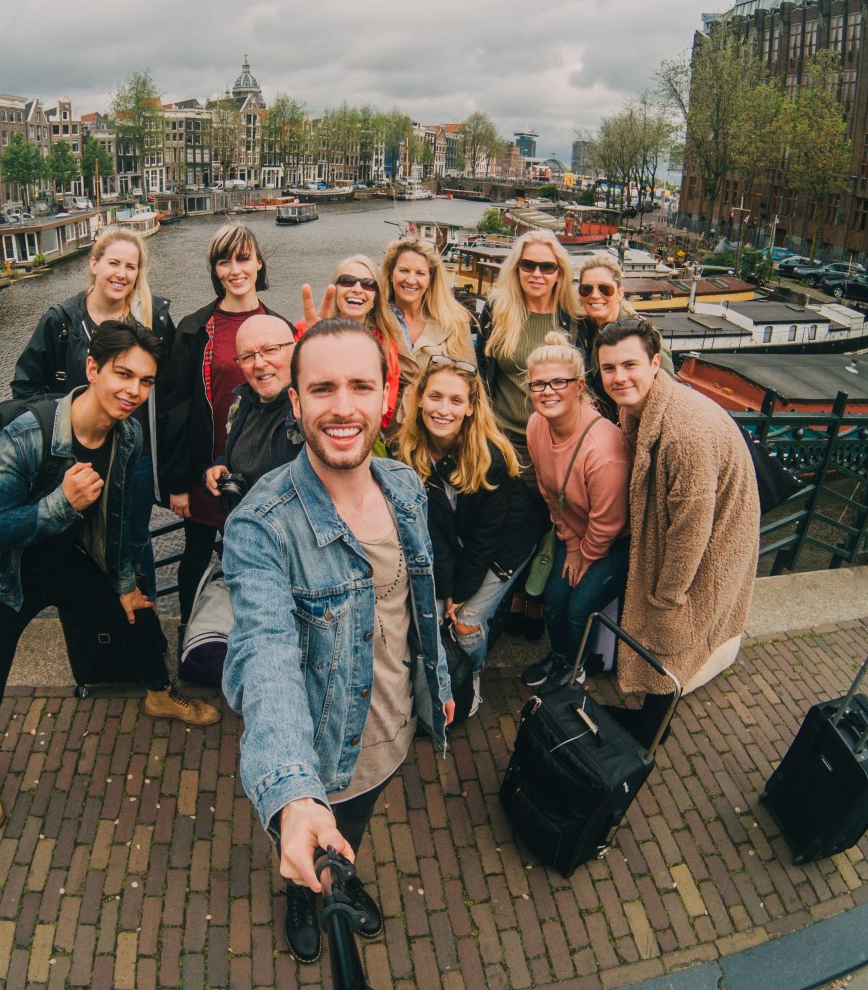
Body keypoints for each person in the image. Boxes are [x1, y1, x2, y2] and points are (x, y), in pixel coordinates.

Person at [222, 319, 454, 966]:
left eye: (361, 386)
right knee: (314, 829)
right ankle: (304, 891)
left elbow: (415, 606)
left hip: (391, 735)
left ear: (387, 396)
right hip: (317, 751)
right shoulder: (261, 529)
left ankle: (338, 879)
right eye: (322, 388)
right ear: (295, 403)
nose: (344, 407)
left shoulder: (406, 487)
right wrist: (294, 797)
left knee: (353, 828)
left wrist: (438, 682)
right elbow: (262, 655)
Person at [0, 321, 219, 830]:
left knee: (138, 618)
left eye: (145, 382)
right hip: (0, 580)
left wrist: (122, 582)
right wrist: (59, 505)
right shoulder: (27, 434)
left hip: (64, 564)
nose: (134, 392)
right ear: (92, 369)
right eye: (123, 375)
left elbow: (117, 513)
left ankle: (159, 692)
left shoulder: (129, 433)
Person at [595, 318, 760, 748]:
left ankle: (649, 730)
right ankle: (651, 722)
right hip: (703, 516)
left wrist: (668, 594)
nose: (618, 377)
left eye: (628, 365)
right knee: (668, 624)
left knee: (672, 625)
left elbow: (690, 532)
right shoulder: (643, 404)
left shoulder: (685, 435)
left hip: (717, 535)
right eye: (608, 368)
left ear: (654, 364)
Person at [10, 226, 175, 594]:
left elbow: (172, 391)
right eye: (113, 263)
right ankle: (98, 626)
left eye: (130, 266)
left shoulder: (155, 319)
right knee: (80, 543)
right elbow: (25, 387)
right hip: (79, 457)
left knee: (133, 539)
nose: (121, 273)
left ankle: (142, 626)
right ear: (94, 265)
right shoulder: (62, 322)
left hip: (137, 456)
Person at [159, 224, 291, 626]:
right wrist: (179, 482)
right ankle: (192, 633)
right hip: (205, 473)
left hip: (262, 472)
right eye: (224, 260)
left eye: (243, 258)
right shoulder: (194, 329)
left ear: (259, 263)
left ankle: (255, 639)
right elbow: (174, 409)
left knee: (267, 561)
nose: (235, 269)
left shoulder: (279, 327)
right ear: (215, 270)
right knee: (196, 558)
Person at [393, 355, 538, 684]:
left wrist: (460, 595)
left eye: (456, 400)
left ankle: (470, 676)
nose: (443, 410)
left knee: (466, 623)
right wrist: (448, 591)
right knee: (435, 610)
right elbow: (433, 533)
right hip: (459, 539)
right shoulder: (408, 452)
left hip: (509, 542)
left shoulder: (490, 457)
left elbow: (487, 538)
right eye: (435, 397)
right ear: (420, 400)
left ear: (470, 407)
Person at [521, 331, 631, 689]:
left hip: (613, 541)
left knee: (579, 605)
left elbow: (609, 519)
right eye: (539, 384)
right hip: (575, 532)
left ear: (579, 385)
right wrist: (569, 543)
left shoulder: (604, 449)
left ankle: (574, 665)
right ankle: (558, 656)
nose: (548, 391)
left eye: (559, 382)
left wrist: (585, 555)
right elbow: (550, 492)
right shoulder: (537, 425)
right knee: (553, 599)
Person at [475, 229, 582, 463]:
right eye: (528, 265)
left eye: (547, 267)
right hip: (500, 440)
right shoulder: (498, 310)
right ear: (517, 269)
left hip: (556, 443)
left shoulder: (574, 318)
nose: (537, 274)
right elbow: (482, 369)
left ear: (559, 273)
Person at [204, 314, 303, 504]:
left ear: (294, 350)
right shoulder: (241, 403)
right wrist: (218, 468)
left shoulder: (309, 408)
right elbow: (232, 451)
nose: (259, 363)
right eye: (247, 356)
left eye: (270, 350)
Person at [297, 254, 402, 433]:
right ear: (334, 289)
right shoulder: (305, 332)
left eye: (368, 284)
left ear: (375, 297)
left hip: (359, 433)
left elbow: (385, 413)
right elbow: (291, 392)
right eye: (347, 281)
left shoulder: (385, 344)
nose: (357, 289)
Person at [573, 252, 674, 416]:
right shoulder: (586, 330)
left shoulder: (643, 336)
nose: (595, 295)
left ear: (620, 293)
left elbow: (668, 394)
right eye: (587, 289)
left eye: (605, 288)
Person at [379, 237, 475, 409]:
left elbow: (469, 381)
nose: (411, 279)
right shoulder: (376, 319)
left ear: (430, 279)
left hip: (437, 423)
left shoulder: (455, 321)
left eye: (420, 273)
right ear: (391, 274)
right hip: (386, 425)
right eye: (404, 270)